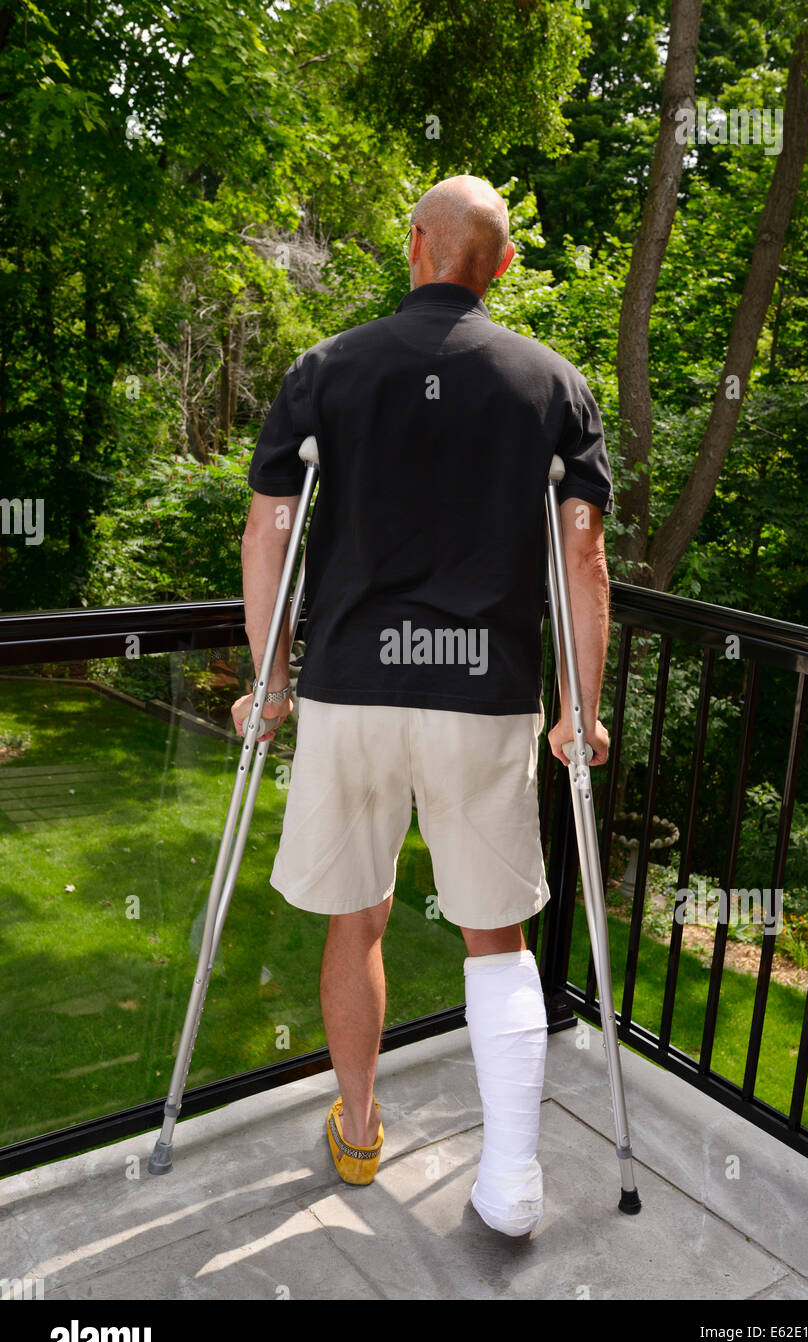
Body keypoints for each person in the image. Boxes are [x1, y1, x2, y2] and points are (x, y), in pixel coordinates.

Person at [232, 174, 613, 1237]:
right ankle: (513, 1183)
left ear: (414, 247)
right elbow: (583, 557)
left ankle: (358, 1122)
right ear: (497, 264)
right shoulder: (552, 383)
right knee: (498, 936)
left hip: (353, 688)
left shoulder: (327, 369)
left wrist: (268, 676)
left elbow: (267, 530)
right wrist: (579, 705)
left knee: (359, 916)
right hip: (483, 696)